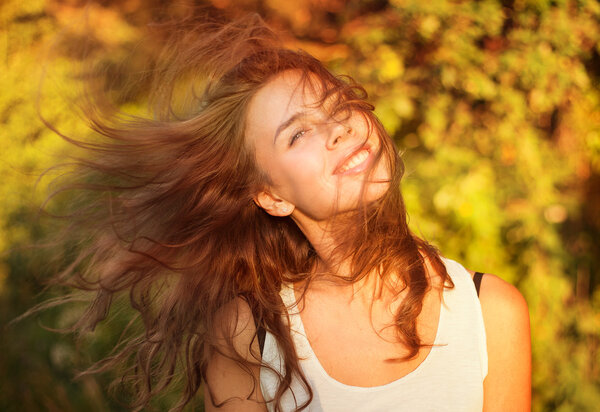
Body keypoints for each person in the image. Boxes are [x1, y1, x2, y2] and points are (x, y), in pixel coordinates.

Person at [49, 13, 531, 412]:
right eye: (297, 134)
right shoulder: (247, 333)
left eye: (337, 106)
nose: (338, 129)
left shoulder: (492, 313)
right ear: (271, 196)